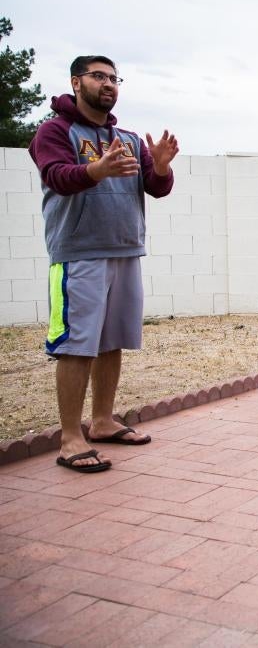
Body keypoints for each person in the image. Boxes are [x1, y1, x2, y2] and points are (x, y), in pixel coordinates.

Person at [29, 56, 178, 473]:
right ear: (77, 82)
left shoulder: (127, 138)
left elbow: (155, 187)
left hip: (125, 249)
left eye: (114, 78)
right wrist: (97, 168)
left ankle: (103, 421)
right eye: (99, 76)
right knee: (78, 346)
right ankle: (70, 438)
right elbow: (57, 176)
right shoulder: (55, 131)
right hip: (78, 253)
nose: (109, 83)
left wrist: (162, 167)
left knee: (112, 341)